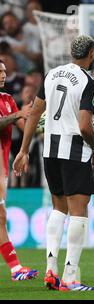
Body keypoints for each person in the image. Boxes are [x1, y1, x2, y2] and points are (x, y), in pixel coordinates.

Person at [13, 35, 94, 291]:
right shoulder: (90, 83)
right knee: (79, 211)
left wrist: (24, 149)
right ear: (92, 53)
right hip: (74, 150)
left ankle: (51, 272)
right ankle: (71, 278)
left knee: (58, 208)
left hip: (50, 151)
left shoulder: (52, 74)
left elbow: (34, 112)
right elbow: (85, 126)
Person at [0, 58, 37, 281]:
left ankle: (16, 269)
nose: (3, 75)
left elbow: (23, 124)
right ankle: (15, 268)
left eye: (4, 71)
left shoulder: (6, 99)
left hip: (2, 166)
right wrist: (17, 115)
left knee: (1, 218)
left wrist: (38, 123)